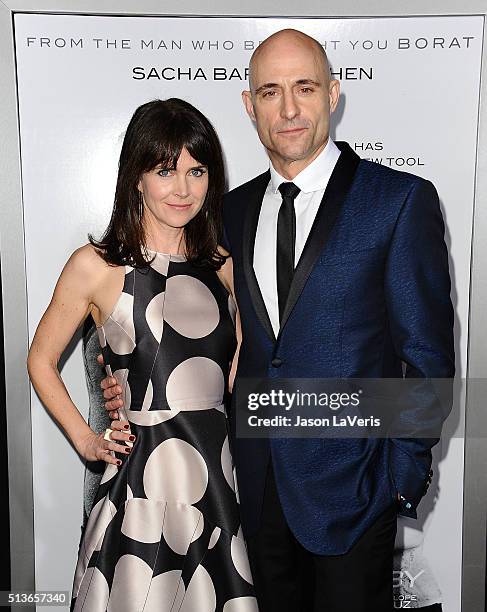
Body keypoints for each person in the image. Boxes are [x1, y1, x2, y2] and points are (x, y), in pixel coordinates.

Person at [103, 29, 454, 611]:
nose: (288, 109)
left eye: (304, 88)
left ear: (334, 94)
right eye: (270, 92)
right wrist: (115, 376)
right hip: (248, 493)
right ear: (249, 105)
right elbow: (172, 321)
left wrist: (399, 480)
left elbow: (427, 358)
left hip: (355, 496)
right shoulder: (227, 211)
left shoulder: (398, 201)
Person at [27, 98, 258, 611]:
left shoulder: (221, 265)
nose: (182, 188)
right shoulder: (96, 266)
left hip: (217, 481)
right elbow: (40, 360)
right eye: (164, 170)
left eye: (196, 171)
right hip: (140, 482)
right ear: (136, 176)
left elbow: (237, 369)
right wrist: (88, 440)